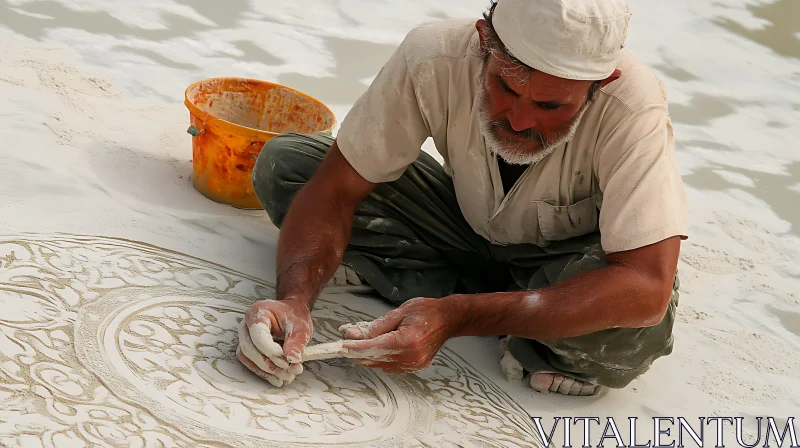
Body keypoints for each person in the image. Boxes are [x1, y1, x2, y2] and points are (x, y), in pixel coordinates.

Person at [236, 0, 688, 396]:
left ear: (601, 84)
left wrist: (460, 316)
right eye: (506, 88)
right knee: (290, 165)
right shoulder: (432, 55)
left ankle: (479, 304)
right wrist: (293, 299)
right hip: (462, 231)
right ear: (483, 42)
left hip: (565, 273)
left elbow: (646, 284)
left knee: (638, 328)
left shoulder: (634, 106)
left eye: (552, 107)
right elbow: (333, 190)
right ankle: (503, 311)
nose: (518, 120)